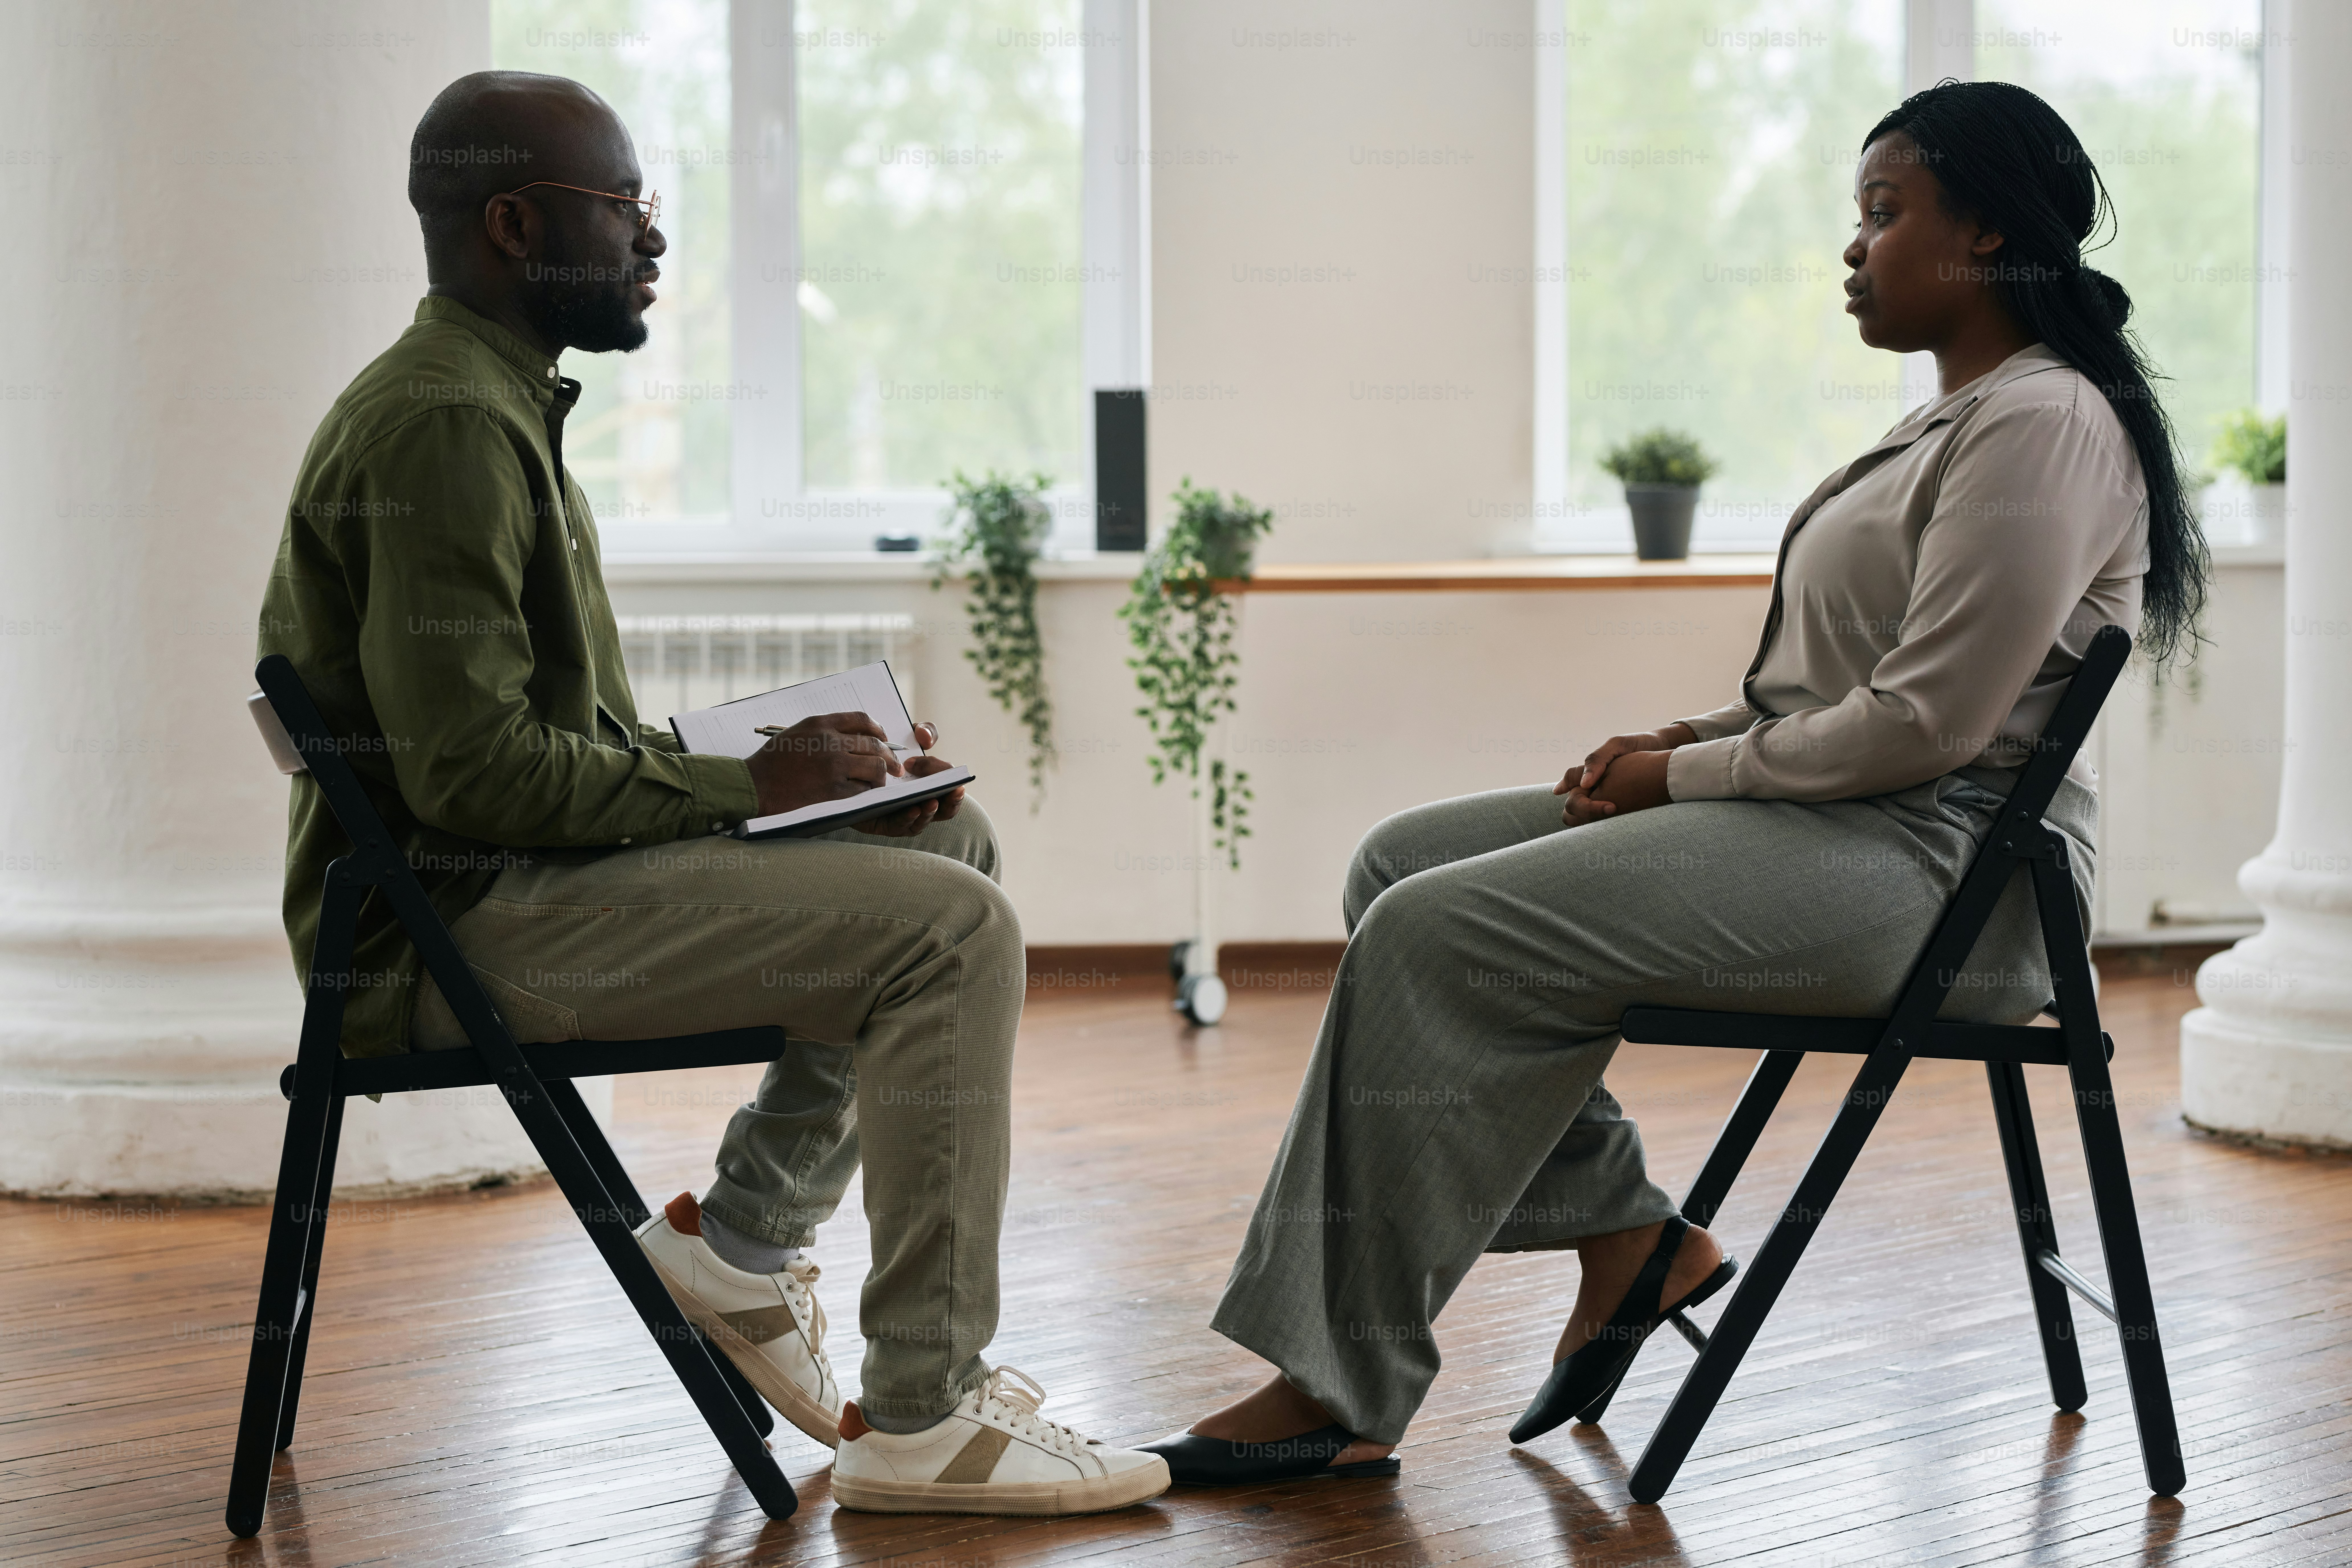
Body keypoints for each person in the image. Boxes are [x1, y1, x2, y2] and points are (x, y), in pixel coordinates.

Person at [1142, 79, 2208, 1485]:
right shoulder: (1957, 422)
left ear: (1988, 237)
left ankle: (1335, 1383)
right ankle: (1632, 1238)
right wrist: (1679, 738)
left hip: (1944, 873)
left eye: (1885, 216)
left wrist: (1683, 773)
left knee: (1432, 933)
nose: (1854, 249)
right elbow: (1839, 689)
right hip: (1850, 818)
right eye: (1857, 216)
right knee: (1398, 866)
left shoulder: (2046, 427)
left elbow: (1929, 725)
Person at [257, 71, 1168, 1517]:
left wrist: (799, 776)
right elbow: (474, 776)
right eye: (626, 211)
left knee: (959, 838)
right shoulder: (445, 431)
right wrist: (755, 782)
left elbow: (551, 742)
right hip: (446, 929)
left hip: (498, 886)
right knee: (954, 931)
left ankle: (742, 1246)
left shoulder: (494, 407)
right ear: (513, 221)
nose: (654, 245)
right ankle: (922, 1417)